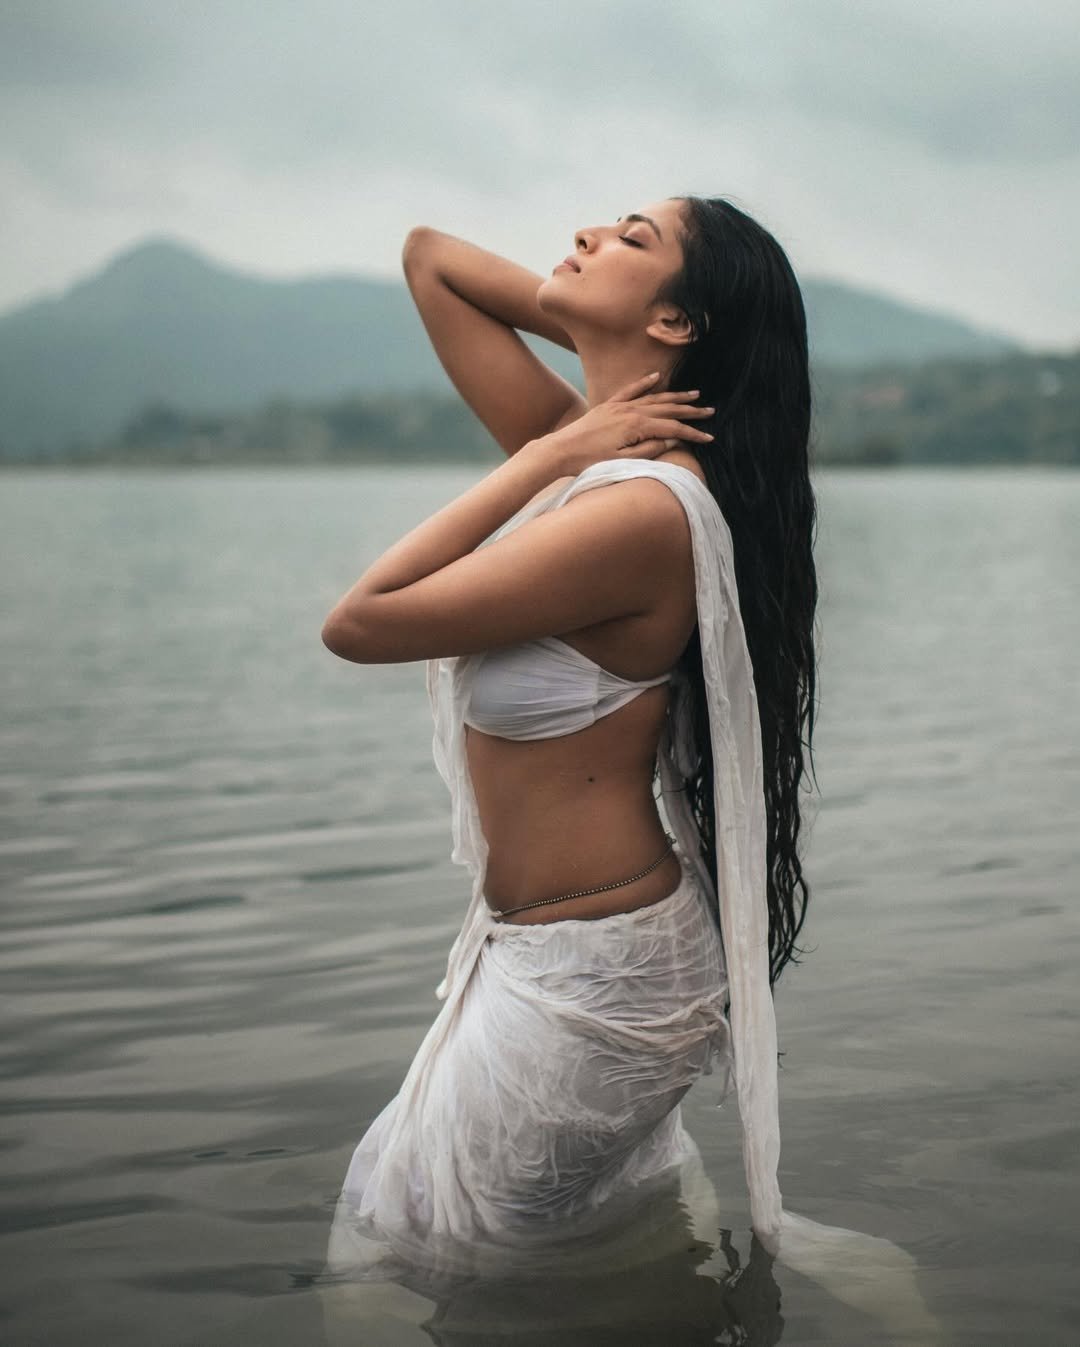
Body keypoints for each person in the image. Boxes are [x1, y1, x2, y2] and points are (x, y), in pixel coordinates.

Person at [318, 195, 939, 1339]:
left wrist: (558, 441)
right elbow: (431, 259)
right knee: (482, 1263)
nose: (592, 232)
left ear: (679, 320)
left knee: (413, 1267)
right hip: (556, 951)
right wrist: (611, 368)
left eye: (631, 238)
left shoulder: (634, 507)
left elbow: (359, 620)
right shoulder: (609, 462)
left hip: (595, 973)